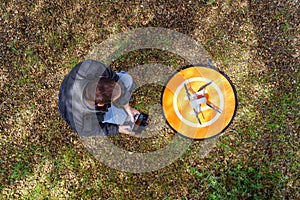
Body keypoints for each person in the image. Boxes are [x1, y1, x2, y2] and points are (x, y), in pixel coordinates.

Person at [58, 59, 140, 136]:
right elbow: (94, 130)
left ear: (101, 77)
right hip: (83, 112)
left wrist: (126, 105)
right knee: (121, 117)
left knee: (127, 79)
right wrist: (117, 129)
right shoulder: (81, 121)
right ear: (101, 105)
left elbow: (111, 75)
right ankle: (113, 114)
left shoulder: (88, 67)